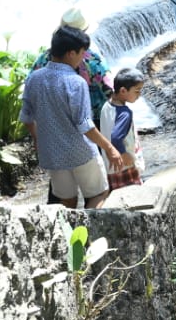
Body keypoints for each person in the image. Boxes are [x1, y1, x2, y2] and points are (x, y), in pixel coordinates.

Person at [20, 25, 125, 208]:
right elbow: (85, 125)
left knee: (66, 202)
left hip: (52, 155)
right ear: (70, 53)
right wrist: (109, 148)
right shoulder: (76, 82)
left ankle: (70, 236)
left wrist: (38, 138)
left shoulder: (34, 78)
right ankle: (89, 235)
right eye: (81, 53)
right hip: (81, 152)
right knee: (99, 194)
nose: (83, 58)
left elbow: (27, 117)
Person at [30, 8, 111, 120]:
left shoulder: (43, 59)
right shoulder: (93, 61)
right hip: (93, 121)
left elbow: (30, 88)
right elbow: (110, 90)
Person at [98, 66, 146, 189]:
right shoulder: (125, 114)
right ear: (123, 91)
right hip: (125, 166)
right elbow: (115, 137)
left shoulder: (107, 105)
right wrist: (125, 155)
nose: (139, 95)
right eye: (137, 91)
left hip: (111, 167)